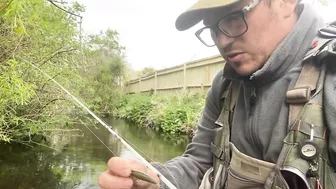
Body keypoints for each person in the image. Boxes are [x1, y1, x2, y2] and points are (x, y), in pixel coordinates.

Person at [98, 0, 336, 188]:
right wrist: (155, 181)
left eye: (234, 18)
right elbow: (200, 163)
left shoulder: (331, 77)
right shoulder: (224, 85)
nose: (222, 41)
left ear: (285, 2)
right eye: (212, 30)